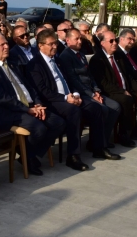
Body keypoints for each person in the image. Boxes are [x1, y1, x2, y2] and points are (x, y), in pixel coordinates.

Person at [0, 33, 65, 176]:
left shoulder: (12, 63)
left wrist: (37, 103)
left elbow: (29, 87)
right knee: (38, 128)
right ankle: (29, 158)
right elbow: (2, 98)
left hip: (28, 107)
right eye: (2, 45)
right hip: (7, 112)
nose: (7, 46)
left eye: (6, 43)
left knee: (59, 122)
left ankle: (29, 154)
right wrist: (27, 110)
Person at [28, 29, 114, 169]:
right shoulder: (34, 65)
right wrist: (65, 98)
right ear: (40, 45)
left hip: (69, 96)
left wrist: (76, 95)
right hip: (53, 101)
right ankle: (73, 156)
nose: (55, 46)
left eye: (55, 43)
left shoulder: (58, 60)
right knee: (73, 111)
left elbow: (69, 80)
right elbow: (43, 91)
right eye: (51, 44)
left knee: (95, 108)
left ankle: (99, 147)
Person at [58, 28, 120, 151]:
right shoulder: (65, 56)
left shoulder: (80, 54)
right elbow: (73, 80)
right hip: (81, 93)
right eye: (77, 39)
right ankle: (98, 146)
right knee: (102, 109)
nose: (80, 41)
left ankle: (101, 140)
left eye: (81, 38)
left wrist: (96, 90)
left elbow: (89, 75)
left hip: (91, 91)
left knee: (115, 107)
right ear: (68, 41)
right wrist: (91, 95)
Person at [88, 30, 137, 148]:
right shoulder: (97, 60)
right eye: (111, 41)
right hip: (110, 91)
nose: (114, 43)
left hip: (124, 87)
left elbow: (129, 76)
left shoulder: (119, 56)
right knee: (126, 100)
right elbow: (103, 84)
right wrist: (122, 91)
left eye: (115, 40)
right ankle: (124, 134)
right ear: (102, 43)